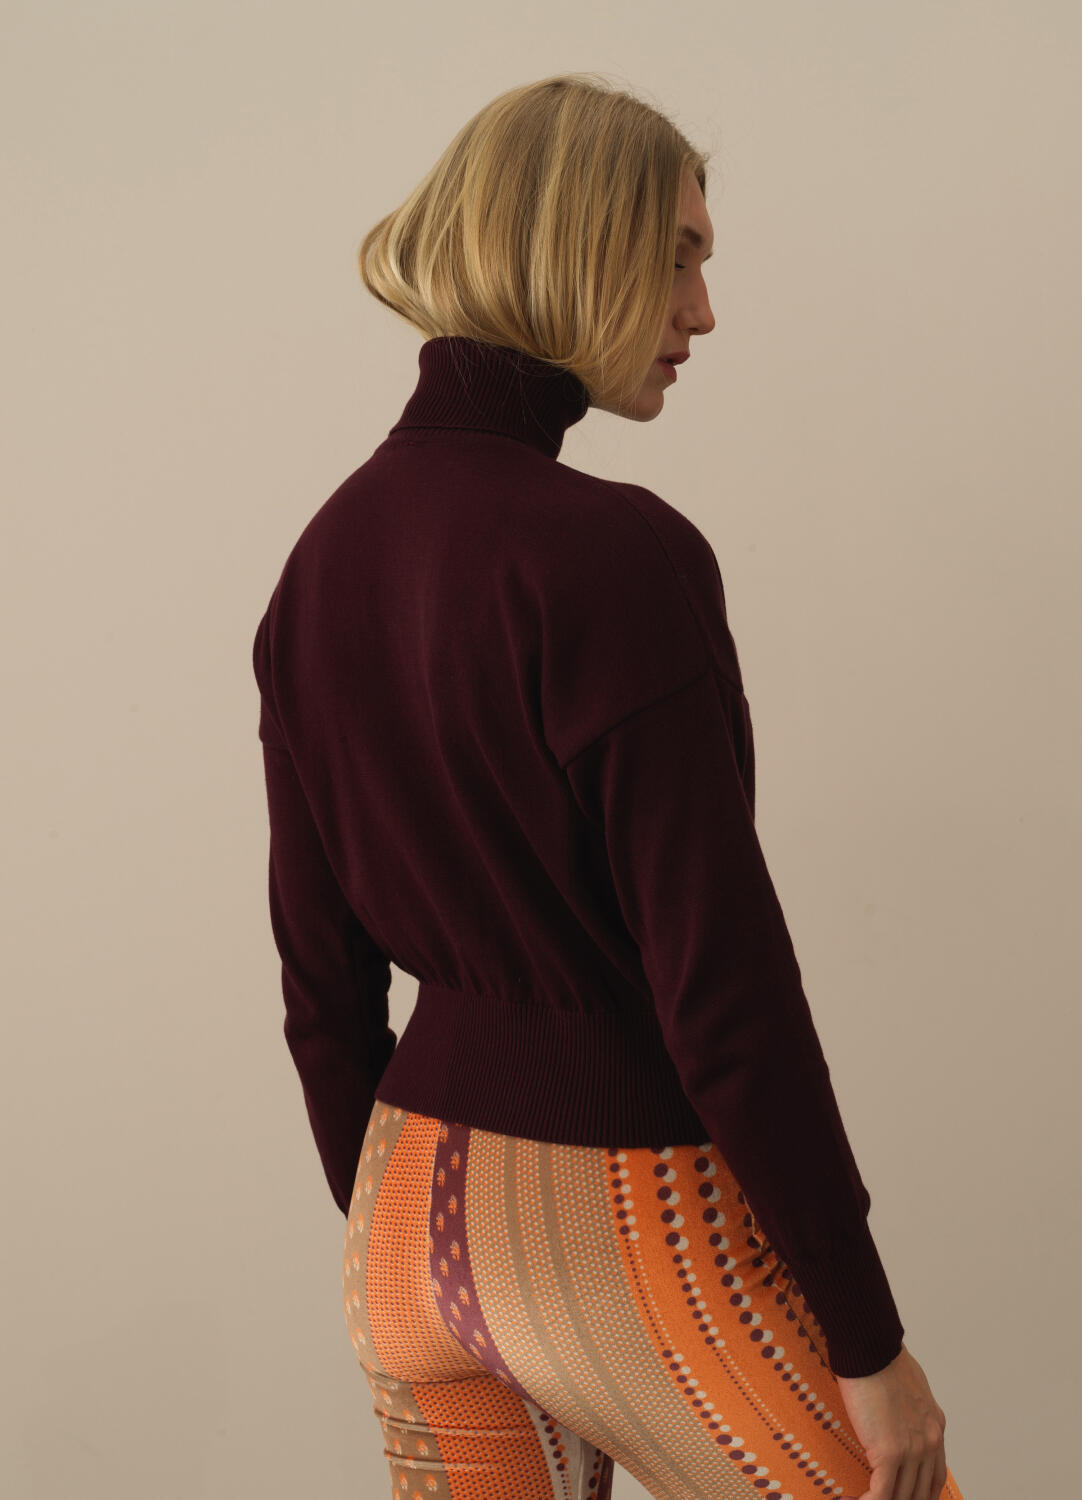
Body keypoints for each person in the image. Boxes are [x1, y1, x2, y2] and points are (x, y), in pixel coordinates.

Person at [252, 71, 963, 1500]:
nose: (703, 312)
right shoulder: (619, 556)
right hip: (617, 1212)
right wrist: (865, 1337)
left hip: (401, 1214)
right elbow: (723, 990)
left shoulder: (323, 556)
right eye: (679, 258)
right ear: (575, 246)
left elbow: (320, 982)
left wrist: (393, 1232)